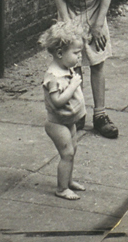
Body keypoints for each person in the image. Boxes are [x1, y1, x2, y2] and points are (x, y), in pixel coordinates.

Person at [48, 0, 118, 138]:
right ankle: (77, 112)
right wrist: (68, 25)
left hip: (95, 8)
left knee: (97, 62)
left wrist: (97, 24)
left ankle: (100, 114)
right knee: (72, 63)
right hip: (69, 9)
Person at [39, 20, 86, 200]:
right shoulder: (53, 76)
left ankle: (68, 181)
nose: (79, 57)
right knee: (67, 154)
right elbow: (57, 101)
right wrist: (73, 86)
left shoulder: (67, 67)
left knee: (73, 149)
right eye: (76, 53)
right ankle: (61, 188)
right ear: (60, 53)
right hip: (57, 123)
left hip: (69, 121)